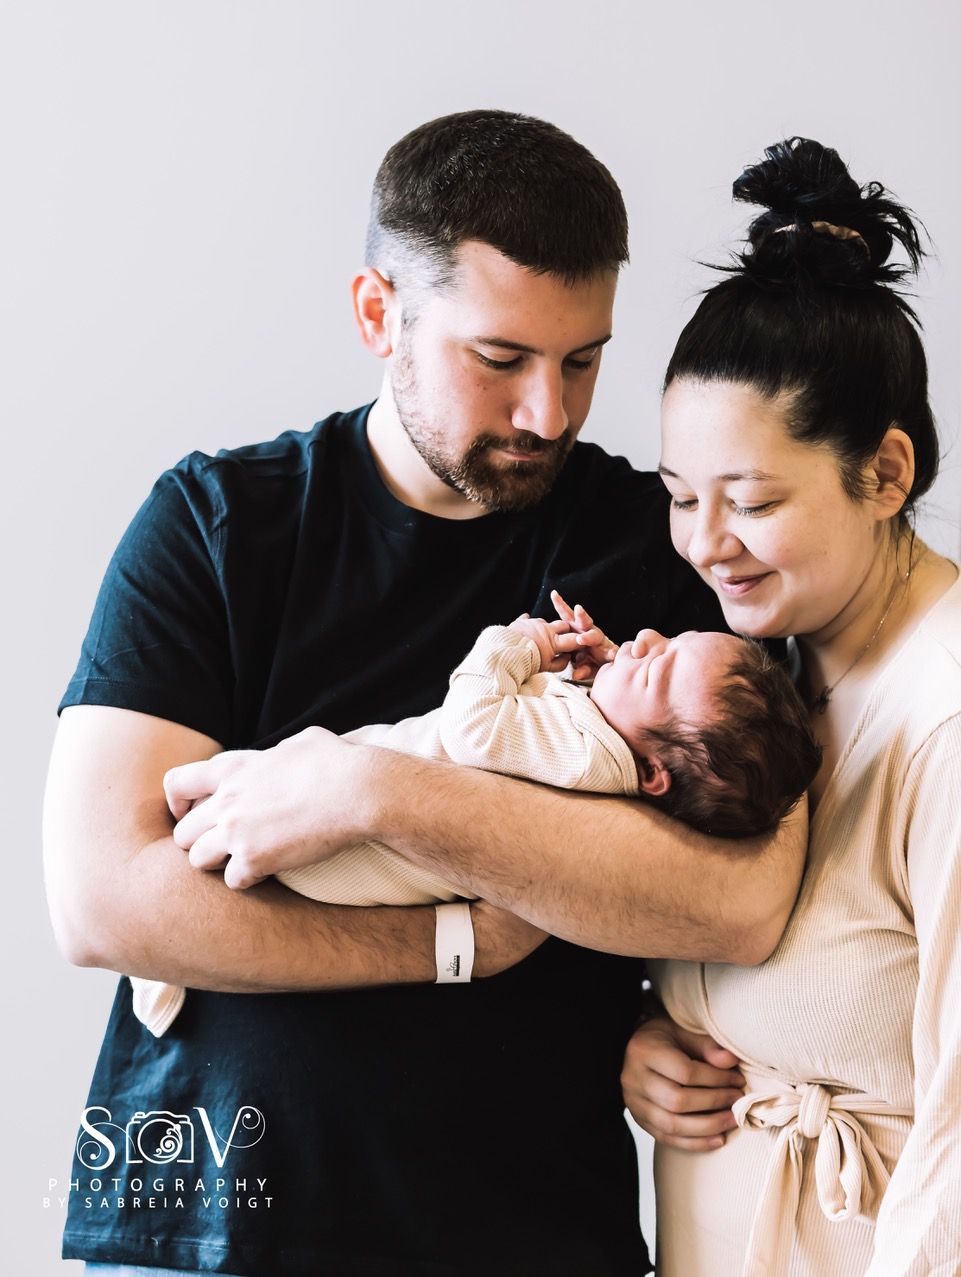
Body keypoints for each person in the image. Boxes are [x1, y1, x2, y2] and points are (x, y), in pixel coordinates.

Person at [44, 111, 806, 1277]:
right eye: (500, 359)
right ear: (377, 314)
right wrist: (459, 940)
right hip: (209, 1218)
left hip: (527, 1223)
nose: (549, 413)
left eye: (583, 359)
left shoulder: (655, 551)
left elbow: (741, 895)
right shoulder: (217, 524)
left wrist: (374, 790)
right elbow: (105, 900)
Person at [613, 138, 961, 1276]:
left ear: (885, 472)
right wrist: (638, 1041)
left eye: (751, 500)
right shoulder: (759, 668)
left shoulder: (944, 714)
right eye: (678, 498)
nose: (706, 545)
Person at [131, 597, 820, 1037]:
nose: (640, 638)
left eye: (655, 671)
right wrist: (599, 672)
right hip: (343, 805)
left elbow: (476, 728)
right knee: (251, 784)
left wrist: (517, 644)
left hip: (338, 851)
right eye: (664, 639)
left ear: (652, 775)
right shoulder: (607, 753)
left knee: (220, 795)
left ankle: (162, 959)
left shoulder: (586, 757)